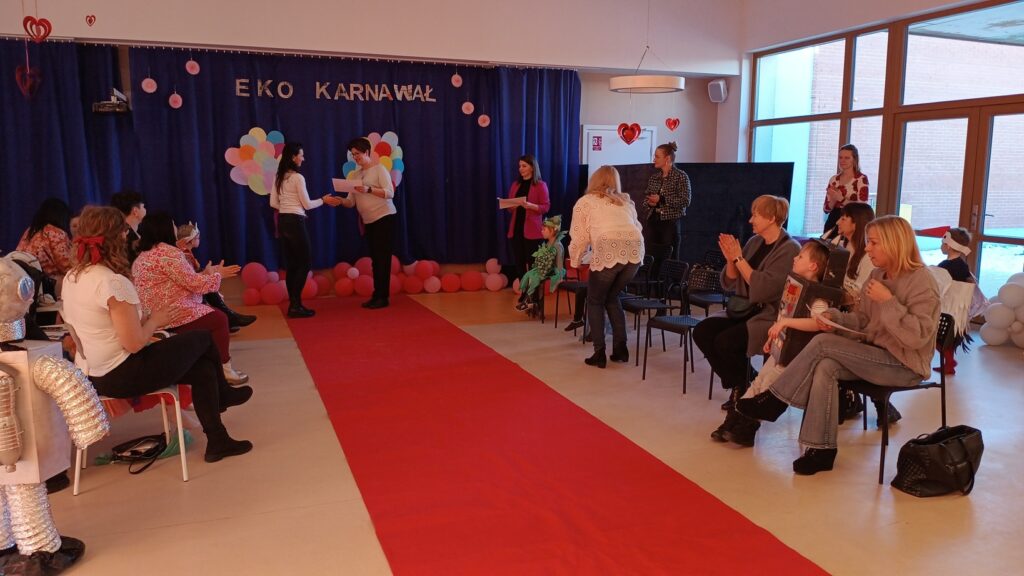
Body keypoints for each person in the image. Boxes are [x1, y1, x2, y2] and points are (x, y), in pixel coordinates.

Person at [737, 215, 940, 476]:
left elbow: (916, 337)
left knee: (822, 344)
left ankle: (775, 399)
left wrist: (888, 301)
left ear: (894, 244)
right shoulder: (877, 275)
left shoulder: (922, 281)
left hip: (905, 364)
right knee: (826, 365)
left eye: (874, 243)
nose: (867, 249)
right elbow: (863, 321)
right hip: (875, 355)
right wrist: (833, 318)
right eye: (868, 242)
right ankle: (821, 449)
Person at [61, 206, 254, 463]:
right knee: (204, 338)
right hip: (122, 373)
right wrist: (155, 321)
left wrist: (145, 320)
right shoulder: (111, 282)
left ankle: (218, 440)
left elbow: (105, 326)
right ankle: (224, 395)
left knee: (203, 368)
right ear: (115, 238)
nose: (127, 237)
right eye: (123, 233)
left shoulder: (73, 277)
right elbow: (134, 343)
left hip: (95, 373)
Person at [711, 240, 833, 447]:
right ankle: (734, 420)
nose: (795, 258)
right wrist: (772, 338)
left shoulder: (818, 296)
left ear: (813, 266)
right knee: (758, 382)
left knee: (768, 386)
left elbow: (819, 323)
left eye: (800, 256)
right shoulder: (795, 287)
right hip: (782, 348)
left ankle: (747, 427)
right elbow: (783, 315)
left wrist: (785, 323)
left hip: (797, 356)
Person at [693, 195, 800, 416]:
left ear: (771, 218)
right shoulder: (755, 242)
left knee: (726, 342)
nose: (750, 220)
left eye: (755, 215)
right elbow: (731, 281)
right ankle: (743, 380)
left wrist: (739, 259)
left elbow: (765, 288)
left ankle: (740, 388)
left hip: (767, 315)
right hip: (744, 309)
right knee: (702, 331)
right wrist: (730, 259)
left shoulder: (789, 249)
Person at [132, 212, 249, 385]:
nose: (175, 228)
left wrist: (208, 274)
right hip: (170, 313)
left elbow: (182, 280)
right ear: (164, 228)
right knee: (219, 319)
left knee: (213, 315)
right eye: (172, 224)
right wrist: (218, 275)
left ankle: (214, 367)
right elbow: (194, 284)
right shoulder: (168, 253)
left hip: (151, 314)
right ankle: (225, 370)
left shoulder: (143, 256)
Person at [569, 166, 645, 368]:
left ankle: (599, 352)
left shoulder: (586, 201)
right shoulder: (625, 201)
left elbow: (579, 236)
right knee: (612, 297)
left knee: (595, 300)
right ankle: (621, 349)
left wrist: (575, 260)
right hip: (635, 252)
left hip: (608, 248)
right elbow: (637, 228)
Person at [270, 142, 340, 318]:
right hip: (295, 222)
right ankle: (295, 305)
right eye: (301, 155)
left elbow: (273, 203)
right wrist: (323, 200)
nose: (303, 158)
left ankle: (294, 305)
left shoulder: (279, 176)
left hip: (283, 221)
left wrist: (288, 208)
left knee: (292, 265)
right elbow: (307, 204)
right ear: (294, 157)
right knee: (304, 263)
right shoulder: (297, 178)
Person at [336, 137, 397, 309]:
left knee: (382, 259)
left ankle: (382, 297)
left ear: (367, 152)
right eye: (353, 154)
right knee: (375, 259)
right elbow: (351, 202)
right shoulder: (355, 175)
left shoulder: (379, 169)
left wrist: (368, 189)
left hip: (384, 217)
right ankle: (377, 294)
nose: (356, 157)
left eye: (358, 154)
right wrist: (339, 201)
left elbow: (390, 193)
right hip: (369, 220)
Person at [176, 221, 257, 331]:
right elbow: (189, 279)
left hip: (193, 286)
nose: (199, 240)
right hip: (187, 292)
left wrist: (209, 271)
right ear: (191, 240)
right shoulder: (184, 257)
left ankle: (228, 319)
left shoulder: (188, 255)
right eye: (197, 238)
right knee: (209, 288)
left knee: (210, 288)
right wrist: (207, 273)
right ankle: (229, 318)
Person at [503, 155, 551, 280]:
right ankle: (524, 290)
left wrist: (531, 206)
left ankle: (534, 292)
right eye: (519, 166)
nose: (520, 169)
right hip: (516, 230)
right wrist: (511, 205)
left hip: (533, 231)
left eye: (524, 166)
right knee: (519, 264)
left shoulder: (540, 185)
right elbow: (510, 208)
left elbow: (545, 207)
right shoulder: (515, 185)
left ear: (532, 168)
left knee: (533, 265)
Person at [643, 142, 691, 259]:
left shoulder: (681, 176)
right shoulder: (654, 177)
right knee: (652, 256)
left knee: (669, 257)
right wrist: (649, 203)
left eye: (657, 156)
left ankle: (668, 272)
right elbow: (645, 199)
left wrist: (662, 199)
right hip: (653, 221)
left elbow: (685, 200)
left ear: (667, 158)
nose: (654, 159)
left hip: (670, 224)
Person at [515, 215, 566, 315]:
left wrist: (560, 277)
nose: (541, 231)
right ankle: (531, 301)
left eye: (544, 230)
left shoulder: (558, 245)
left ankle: (532, 302)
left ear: (552, 231)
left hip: (555, 270)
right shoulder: (547, 244)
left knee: (537, 277)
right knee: (530, 274)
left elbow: (559, 263)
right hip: (547, 269)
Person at [16, 198, 73, 283]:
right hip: (43, 283)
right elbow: (67, 266)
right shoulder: (56, 232)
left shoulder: (30, 231)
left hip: (22, 279)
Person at [822, 144, 869, 233]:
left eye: (847, 158)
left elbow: (862, 208)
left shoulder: (861, 179)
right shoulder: (834, 179)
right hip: (833, 221)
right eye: (840, 157)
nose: (842, 160)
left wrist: (841, 199)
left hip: (852, 221)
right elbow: (826, 209)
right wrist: (834, 199)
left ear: (854, 159)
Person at [110, 190, 147, 264]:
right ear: (135, 211)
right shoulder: (127, 236)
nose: (145, 210)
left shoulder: (115, 231)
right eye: (143, 207)